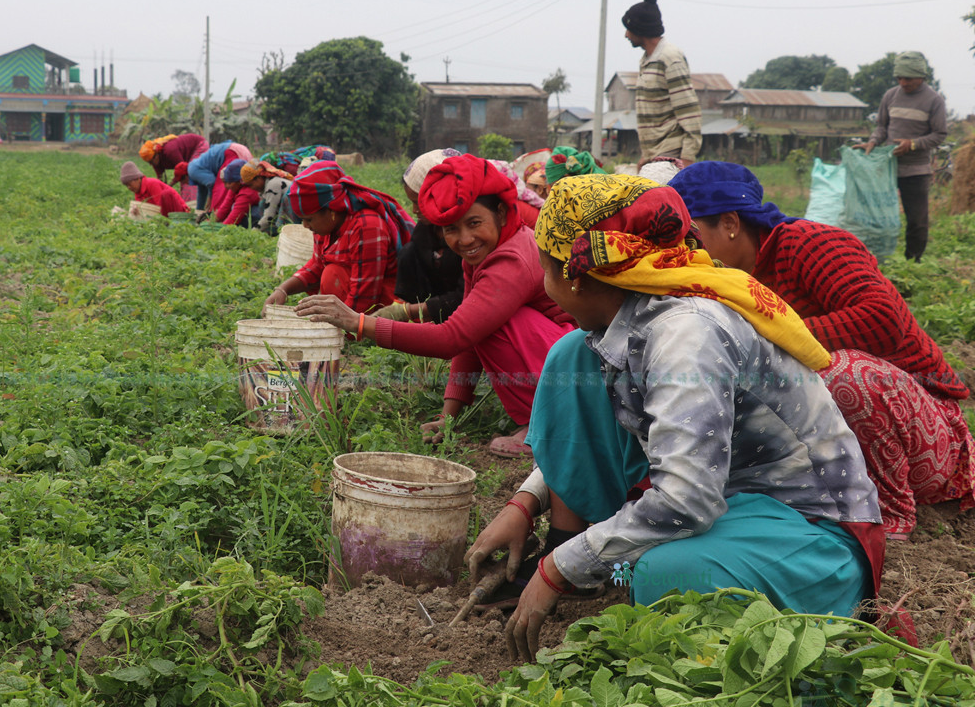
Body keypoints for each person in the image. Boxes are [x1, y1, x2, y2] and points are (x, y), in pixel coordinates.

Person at [464, 173, 883, 662]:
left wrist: (558, 570)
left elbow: (687, 501)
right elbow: (606, 431)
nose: (545, 284)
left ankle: (606, 571)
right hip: (727, 496)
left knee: (662, 573)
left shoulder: (687, 337)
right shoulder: (634, 313)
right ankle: (576, 545)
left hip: (806, 528)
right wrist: (526, 501)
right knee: (571, 357)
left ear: (576, 277)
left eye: (547, 269)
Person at [668, 161, 973, 538]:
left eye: (690, 235)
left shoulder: (807, 243)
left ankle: (888, 517)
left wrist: (773, 341)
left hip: (922, 440)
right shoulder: (721, 278)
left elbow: (882, 320)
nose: (684, 249)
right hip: (836, 447)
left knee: (843, 374)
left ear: (730, 223)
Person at [296, 154, 577, 458]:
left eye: (474, 223)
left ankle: (547, 426)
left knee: (502, 324)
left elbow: (452, 337)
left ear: (500, 212)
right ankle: (543, 419)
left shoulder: (511, 260)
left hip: (577, 373)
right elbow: (467, 339)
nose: (464, 239)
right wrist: (448, 417)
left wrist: (360, 324)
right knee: (481, 323)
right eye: (451, 229)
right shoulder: (488, 251)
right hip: (565, 363)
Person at [264, 160, 413, 315]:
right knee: (329, 272)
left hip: (384, 307)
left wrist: (342, 327)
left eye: (309, 219)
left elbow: (365, 294)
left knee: (332, 273)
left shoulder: (367, 226)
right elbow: (317, 265)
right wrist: (283, 290)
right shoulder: (326, 228)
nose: (305, 226)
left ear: (332, 210)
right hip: (356, 300)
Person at [855, 51, 947, 261]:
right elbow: (882, 127)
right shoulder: (890, 95)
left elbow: (939, 134)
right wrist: (872, 141)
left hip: (916, 171)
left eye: (908, 78)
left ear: (921, 77)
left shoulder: (934, 100)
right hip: (887, 169)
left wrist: (913, 144)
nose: (903, 83)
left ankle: (913, 262)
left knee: (917, 220)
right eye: (899, 78)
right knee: (877, 217)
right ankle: (873, 260)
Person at [380, 148, 467, 324]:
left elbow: (464, 294)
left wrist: (406, 312)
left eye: (418, 202)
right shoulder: (425, 230)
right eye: (412, 202)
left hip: (462, 310)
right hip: (434, 303)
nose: (414, 210)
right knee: (408, 252)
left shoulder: (468, 236)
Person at [622, 0, 701, 165]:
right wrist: (647, 156)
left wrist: (687, 158)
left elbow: (689, 112)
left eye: (629, 29)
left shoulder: (670, 58)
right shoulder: (648, 60)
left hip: (672, 153)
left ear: (640, 30)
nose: (626, 35)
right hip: (655, 153)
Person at [186, 140, 253, 215]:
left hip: (231, 152)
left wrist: (210, 203)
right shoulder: (197, 165)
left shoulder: (191, 170)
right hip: (241, 149)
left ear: (184, 176)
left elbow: (211, 182)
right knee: (240, 187)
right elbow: (202, 191)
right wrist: (199, 209)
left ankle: (217, 220)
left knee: (221, 193)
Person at [139, 133, 208, 202]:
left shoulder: (170, 151)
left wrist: (170, 185)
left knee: (189, 177)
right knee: (185, 181)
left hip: (199, 146)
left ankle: (192, 205)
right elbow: (161, 179)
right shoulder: (156, 162)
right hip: (187, 157)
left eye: (151, 162)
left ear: (156, 155)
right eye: (149, 163)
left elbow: (183, 171)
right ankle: (188, 204)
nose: (151, 165)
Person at [241, 159, 297, 235]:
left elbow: (269, 217)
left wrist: (252, 233)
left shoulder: (273, 185)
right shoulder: (265, 187)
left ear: (259, 177)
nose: (252, 188)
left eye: (251, 184)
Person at [119, 161, 189, 216]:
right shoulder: (138, 192)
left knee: (166, 194)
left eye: (129, 184)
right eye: (126, 186)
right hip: (164, 216)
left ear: (137, 179)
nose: (129, 188)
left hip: (179, 213)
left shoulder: (152, 184)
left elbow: (159, 208)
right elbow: (143, 210)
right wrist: (137, 211)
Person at [214, 159, 263, 227]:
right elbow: (225, 207)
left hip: (264, 216)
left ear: (239, 181)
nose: (226, 186)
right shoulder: (236, 186)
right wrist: (210, 222)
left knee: (251, 213)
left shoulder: (247, 193)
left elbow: (233, 219)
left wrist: (221, 230)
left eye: (229, 183)